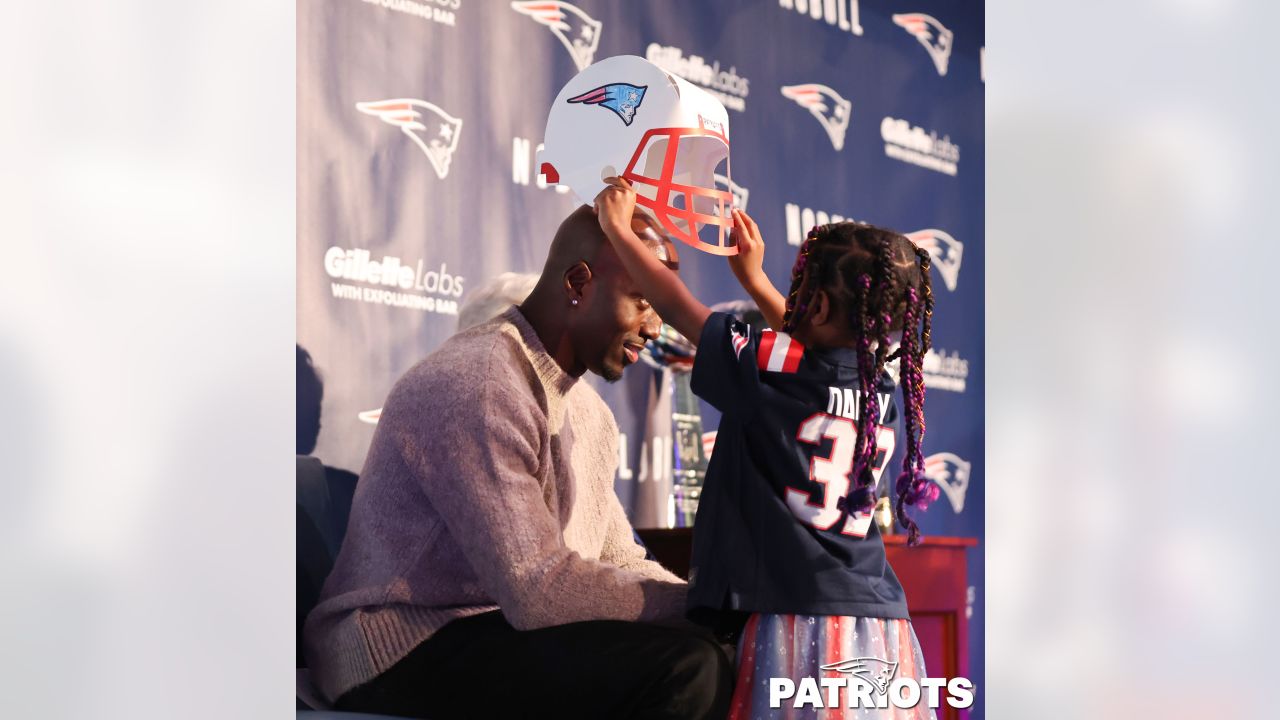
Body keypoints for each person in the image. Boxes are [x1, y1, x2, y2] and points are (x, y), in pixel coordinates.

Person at [302, 205, 733, 720]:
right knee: (686, 667)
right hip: (399, 642)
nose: (656, 326)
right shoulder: (479, 382)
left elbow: (619, 557)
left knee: (718, 654)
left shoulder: (590, 412)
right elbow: (539, 590)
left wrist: (715, 616)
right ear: (578, 282)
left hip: (496, 626)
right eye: (642, 301)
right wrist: (703, 609)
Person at [594, 177, 941, 719]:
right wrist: (755, 283)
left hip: (797, 620)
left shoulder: (769, 367)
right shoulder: (881, 387)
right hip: (879, 624)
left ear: (820, 305)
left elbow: (681, 307)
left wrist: (618, 231)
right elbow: (815, 348)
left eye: (799, 287)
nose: (793, 296)